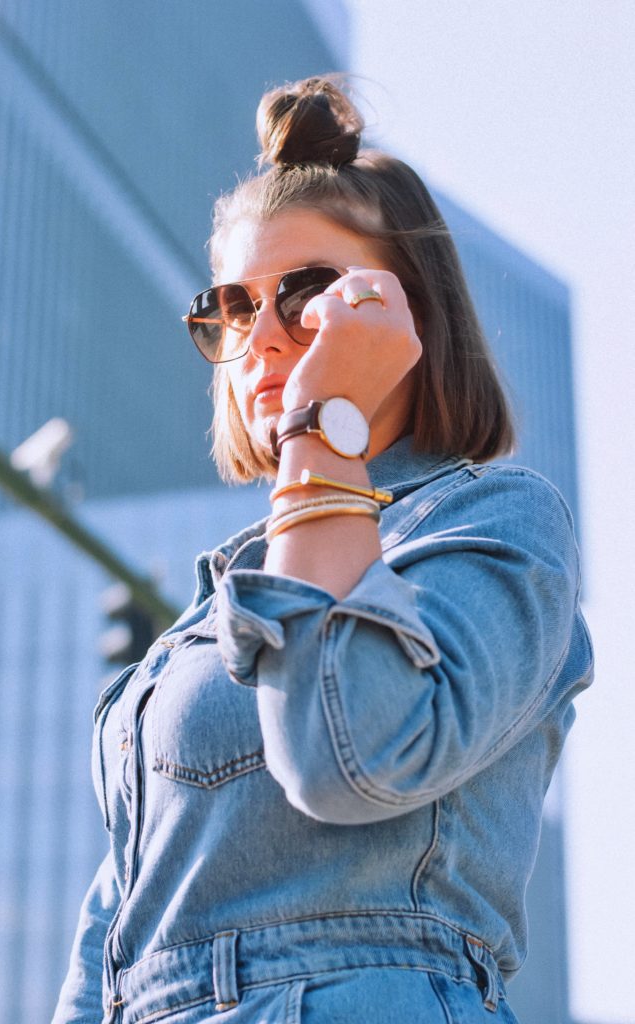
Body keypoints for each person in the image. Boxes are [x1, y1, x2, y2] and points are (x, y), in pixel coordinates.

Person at [53, 75, 593, 1024]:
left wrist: (325, 427)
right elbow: (120, 929)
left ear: (408, 312)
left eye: (305, 293)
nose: (262, 336)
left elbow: (350, 760)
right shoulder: (210, 603)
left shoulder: (493, 522)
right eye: (232, 305)